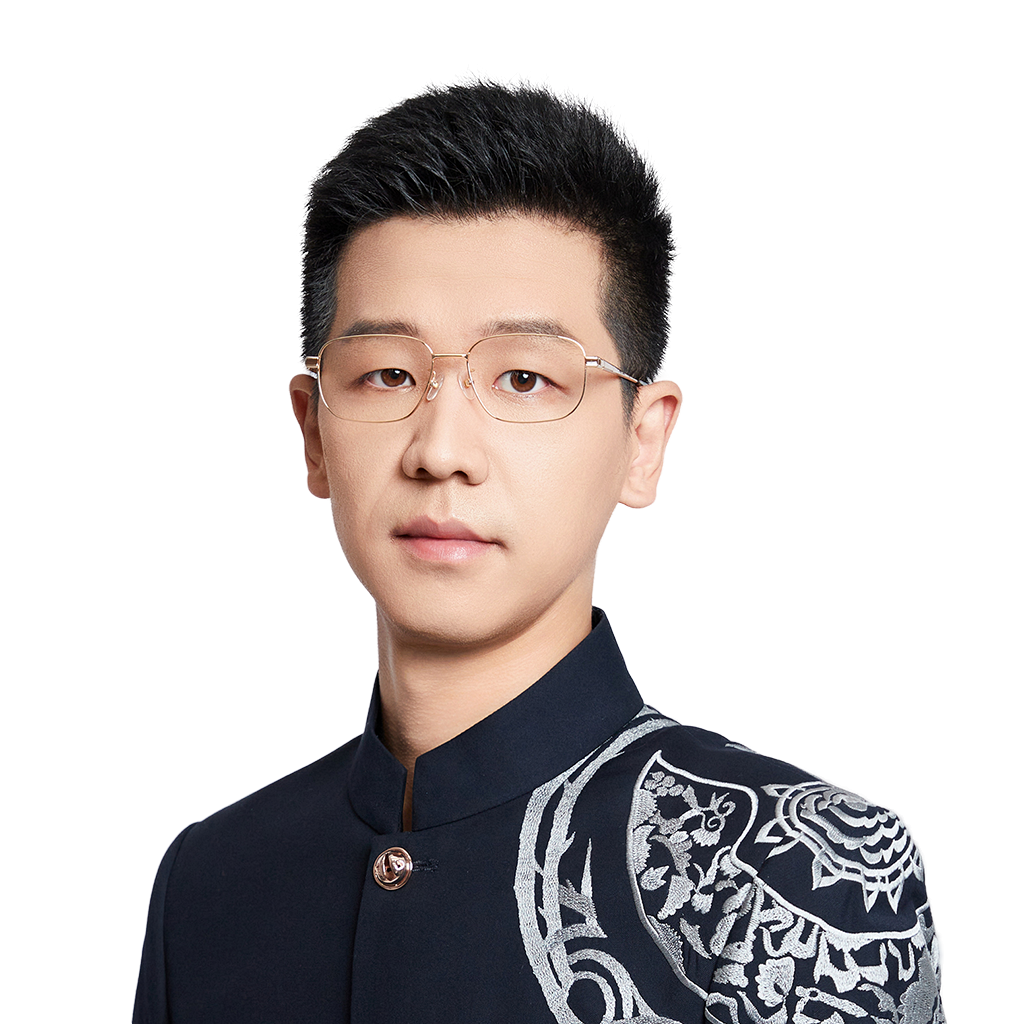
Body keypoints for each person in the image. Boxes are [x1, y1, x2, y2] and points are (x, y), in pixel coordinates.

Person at [133, 76, 942, 1023]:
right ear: (308, 436)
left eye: (523, 378)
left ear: (645, 443)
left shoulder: (790, 876)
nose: (441, 451)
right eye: (386, 373)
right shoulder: (209, 879)